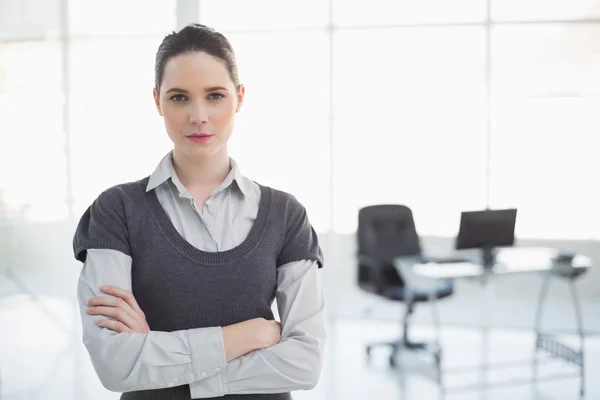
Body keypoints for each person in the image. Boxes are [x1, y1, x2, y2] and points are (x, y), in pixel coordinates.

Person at [73, 24, 325, 400]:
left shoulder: (286, 215)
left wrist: (162, 360)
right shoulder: (117, 210)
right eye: (179, 98)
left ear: (239, 98)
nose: (199, 116)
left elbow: (305, 363)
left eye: (215, 96)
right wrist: (247, 336)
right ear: (157, 100)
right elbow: (115, 365)